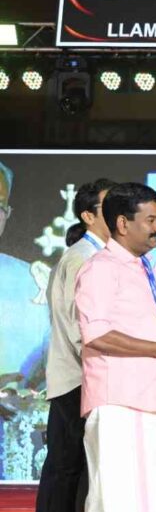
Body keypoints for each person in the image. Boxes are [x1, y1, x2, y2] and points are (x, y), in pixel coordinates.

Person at [75, 182, 156, 512]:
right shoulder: (101, 268)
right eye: (151, 220)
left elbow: (152, 327)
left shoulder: (144, 268)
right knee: (116, 500)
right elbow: (96, 334)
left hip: (151, 398)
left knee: (154, 501)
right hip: (118, 402)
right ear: (122, 224)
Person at [36, 178, 116, 512]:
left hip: (87, 376)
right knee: (68, 465)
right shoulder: (82, 258)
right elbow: (80, 327)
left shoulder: (103, 257)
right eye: (108, 206)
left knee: (75, 464)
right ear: (88, 215)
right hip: (79, 377)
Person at [0, 161, 52, 479]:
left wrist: (32, 388)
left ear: (8, 214)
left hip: (14, 439)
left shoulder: (33, 280)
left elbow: (50, 356)